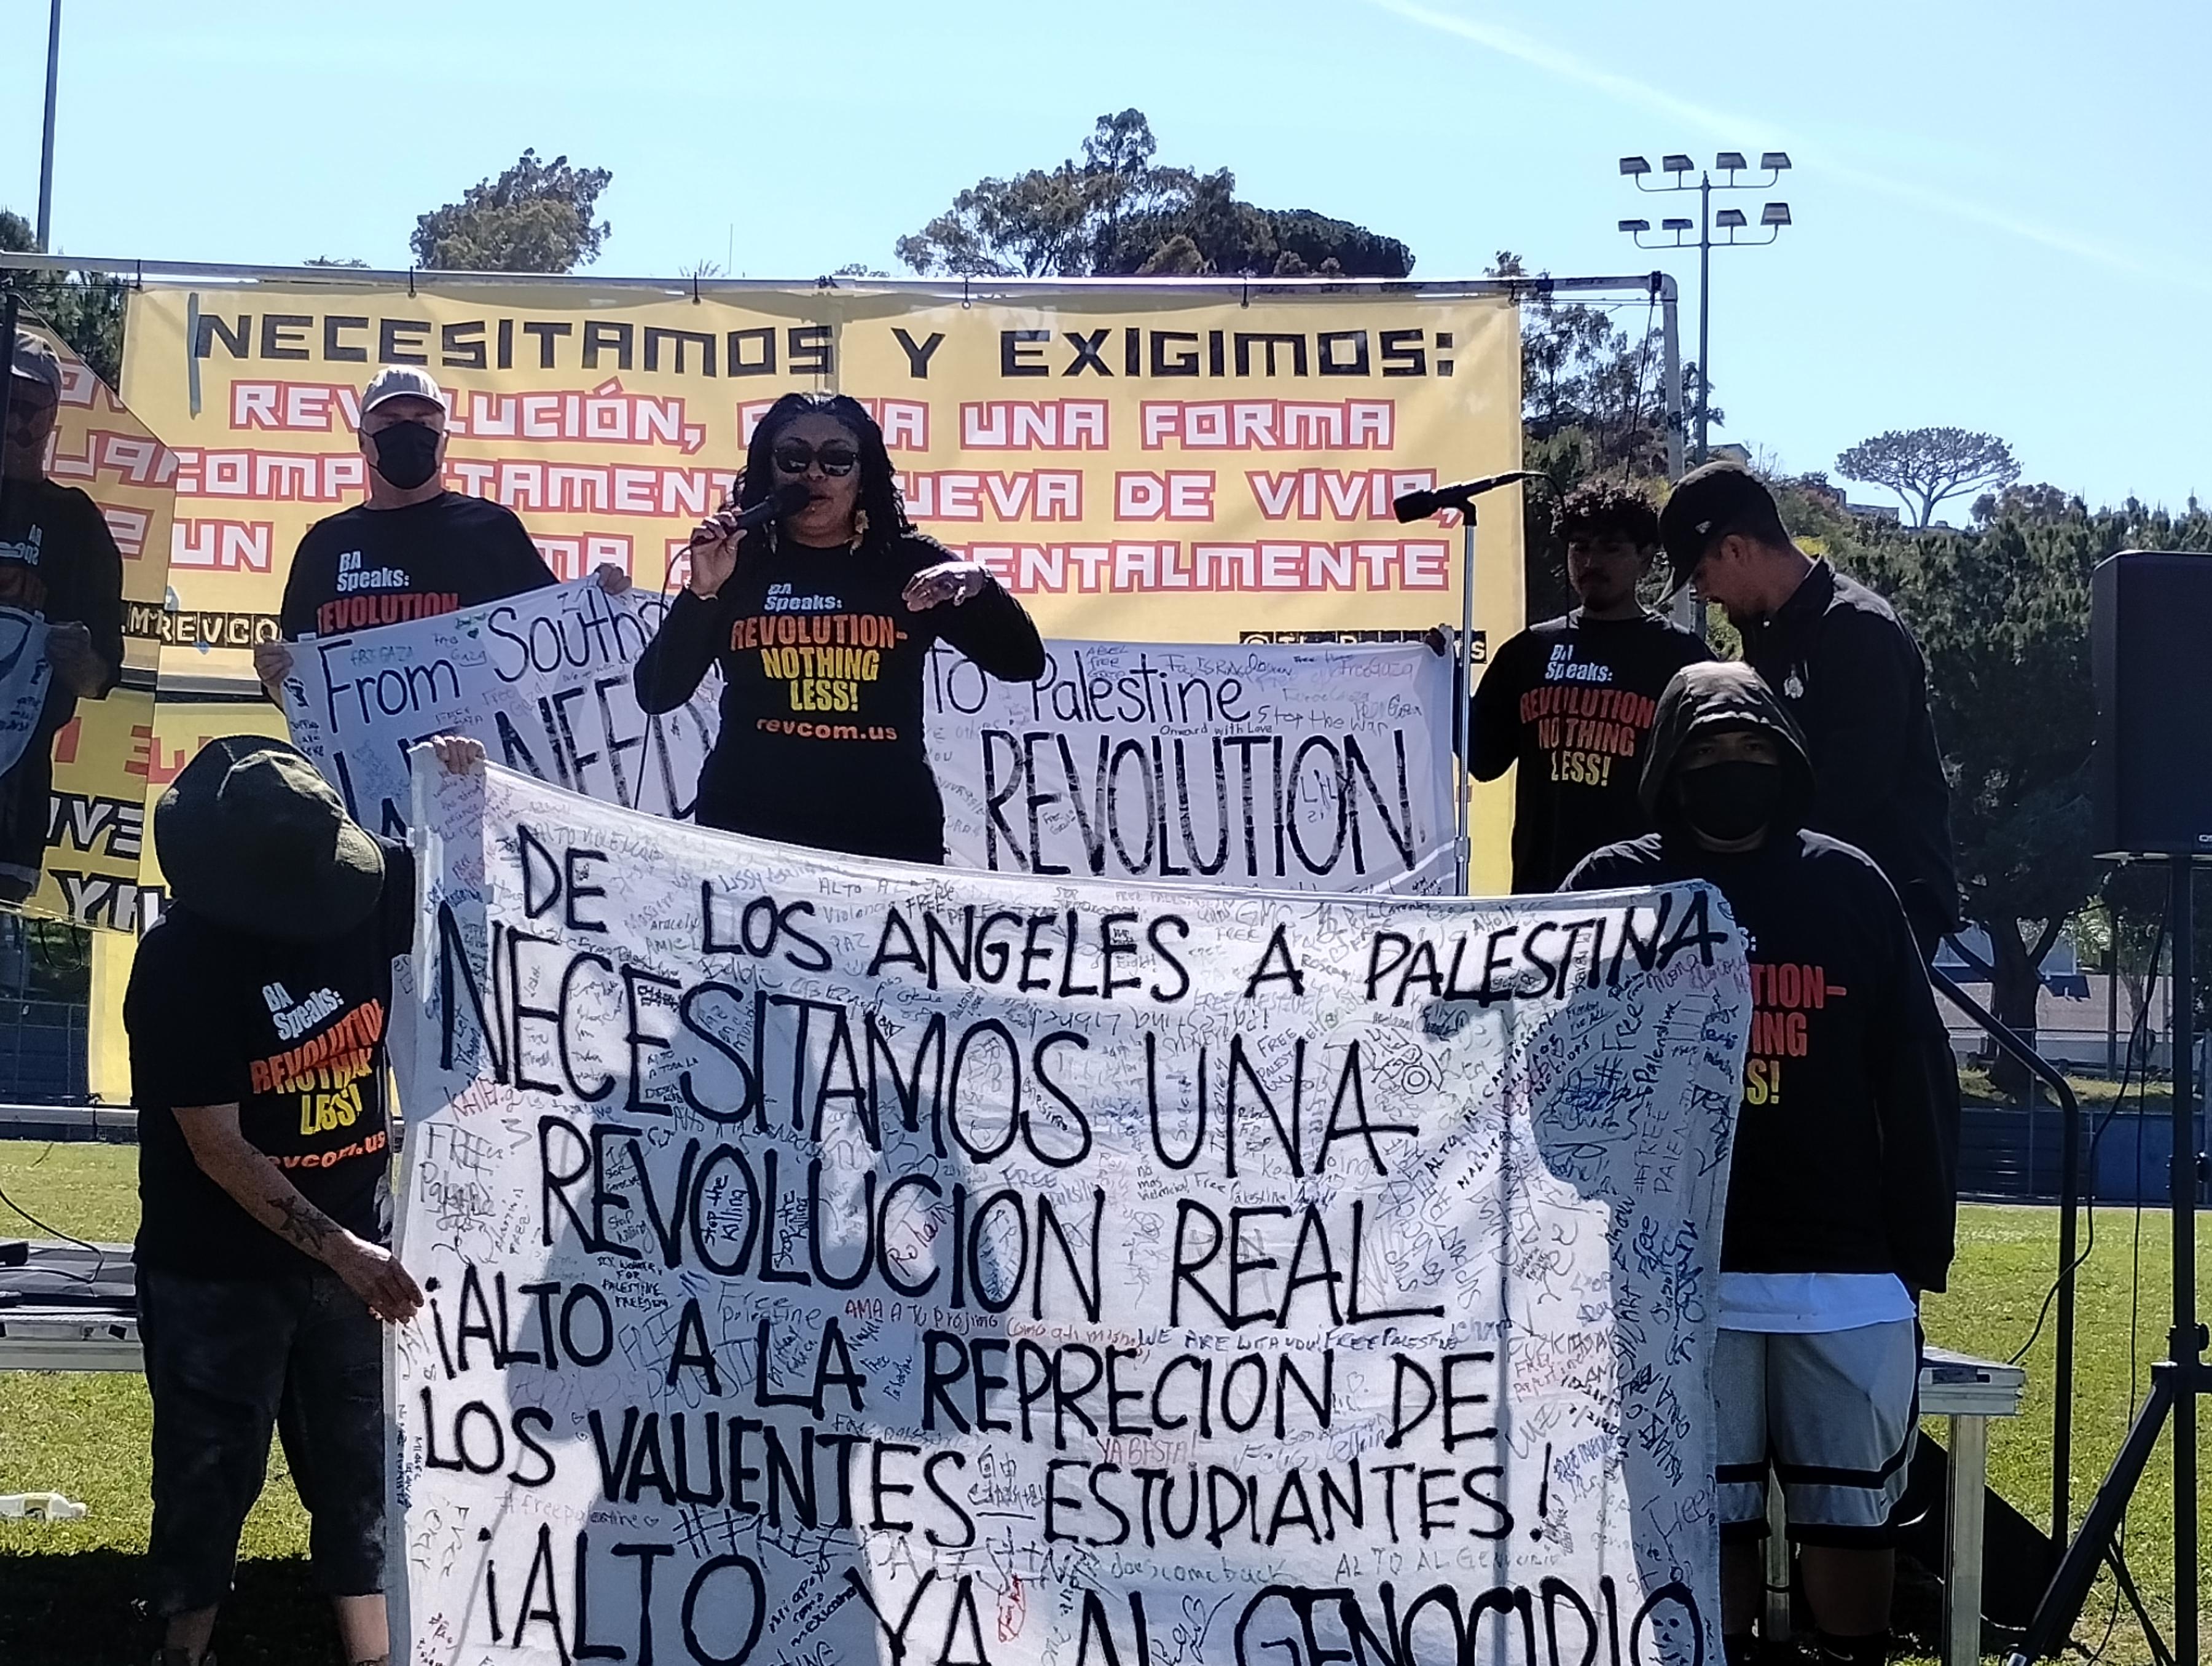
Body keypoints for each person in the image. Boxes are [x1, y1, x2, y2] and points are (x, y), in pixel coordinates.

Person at [1564, 661, 1959, 1666]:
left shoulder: (1849, 883)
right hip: (1673, 1278)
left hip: (1845, 1275)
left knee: (1853, 1520)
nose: (1733, 767)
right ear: (1668, 763)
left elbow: (1915, 1066)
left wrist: (1916, 1250)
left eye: (1752, 747)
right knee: (1705, 1519)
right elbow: (1547, 1058)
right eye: (1707, 750)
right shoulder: (1611, 887)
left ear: (1789, 759)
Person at [125, 729, 484, 1666]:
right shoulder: (179, 964)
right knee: (207, 1475)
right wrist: (346, 1252)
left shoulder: (373, 887)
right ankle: (182, 1650)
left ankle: (374, 1654)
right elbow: (217, 1145)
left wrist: (466, 791)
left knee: (362, 1471)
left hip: (353, 1259)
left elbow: (487, 885)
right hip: (218, 1268)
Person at [633, 391, 1045, 863]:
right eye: (793, 458)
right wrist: (702, 592)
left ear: (863, 474)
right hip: (748, 839)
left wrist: (978, 585)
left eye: (837, 459)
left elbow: (1023, 663)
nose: (814, 474)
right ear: (770, 470)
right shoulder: (737, 563)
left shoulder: (908, 562)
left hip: (887, 842)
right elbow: (656, 693)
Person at [1658, 462, 1959, 955]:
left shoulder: (1858, 626)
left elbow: (1858, 784)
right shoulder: (1768, 635)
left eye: (1700, 575)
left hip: (1883, 901)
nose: (1704, 594)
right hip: (1807, 890)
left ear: (1735, 549)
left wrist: (1754, 857)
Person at [255, 367, 626, 698]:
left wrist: (607, 606)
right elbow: (298, 691)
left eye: (423, 423)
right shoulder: (325, 546)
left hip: (475, 751)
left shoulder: (491, 530)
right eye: (389, 423)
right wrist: (274, 678)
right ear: (362, 440)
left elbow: (557, 651)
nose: (407, 433)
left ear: (444, 440)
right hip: (359, 755)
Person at [1440, 480, 1710, 892]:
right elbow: (1483, 758)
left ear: (1645, 558)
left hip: (1645, 897)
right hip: (1544, 898)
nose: (1590, 562)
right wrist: (1444, 677)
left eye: (1611, 549)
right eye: (1579, 547)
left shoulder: (1683, 657)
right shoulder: (1529, 651)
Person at [0, 329, 124, 905]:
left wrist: (78, 657)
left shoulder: (77, 523)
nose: (13, 418)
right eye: (5, 398)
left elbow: (101, 677)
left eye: (27, 404)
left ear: (52, 414)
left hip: (14, 796)